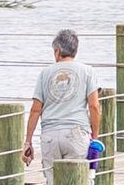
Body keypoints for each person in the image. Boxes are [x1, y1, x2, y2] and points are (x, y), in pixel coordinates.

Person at [30, 29, 102, 175]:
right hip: (76, 133)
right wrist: (95, 137)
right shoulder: (88, 71)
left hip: (49, 134)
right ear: (75, 50)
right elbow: (94, 106)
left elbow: (35, 110)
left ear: (57, 51)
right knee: (81, 183)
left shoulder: (45, 73)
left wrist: (28, 141)